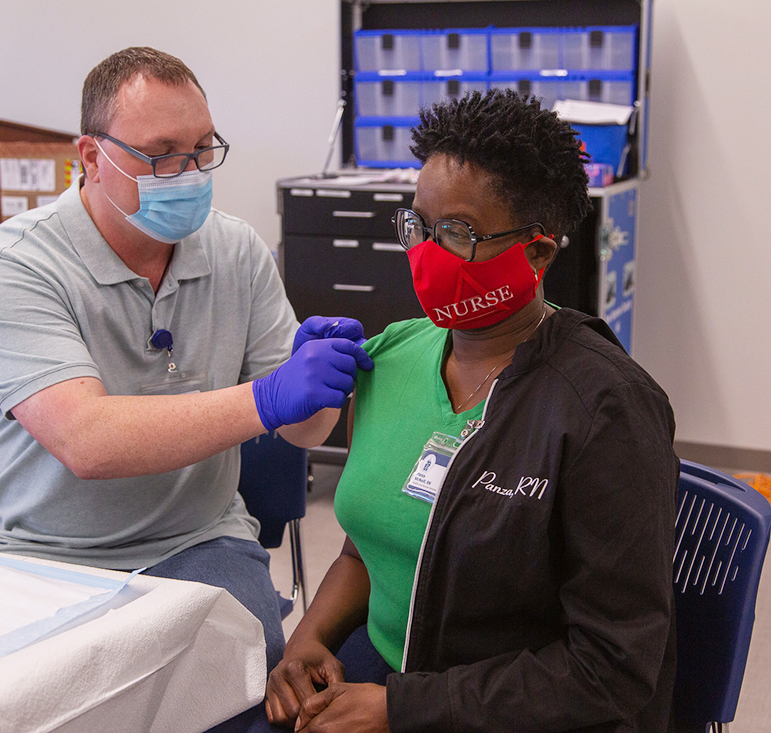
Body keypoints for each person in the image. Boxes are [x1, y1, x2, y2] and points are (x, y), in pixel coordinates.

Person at [0, 47, 371, 728]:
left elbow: (306, 434)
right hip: (37, 551)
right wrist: (267, 397)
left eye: (203, 149)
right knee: (36, 707)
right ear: (91, 157)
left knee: (240, 697)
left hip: (198, 541)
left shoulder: (236, 252)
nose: (189, 173)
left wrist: (317, 386)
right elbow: (86, 441)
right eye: (162, 154)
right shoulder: (17, 264)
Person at [265, 89, 679, 733]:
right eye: (418, 227)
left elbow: (612, 667)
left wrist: (403, 709)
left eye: (457, 233)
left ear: (538, 252)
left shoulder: (605, 409)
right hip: (382, 672)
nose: (427, 254)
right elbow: (369, 545)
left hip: (507, 712)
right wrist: (308, 640)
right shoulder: (392, 357)